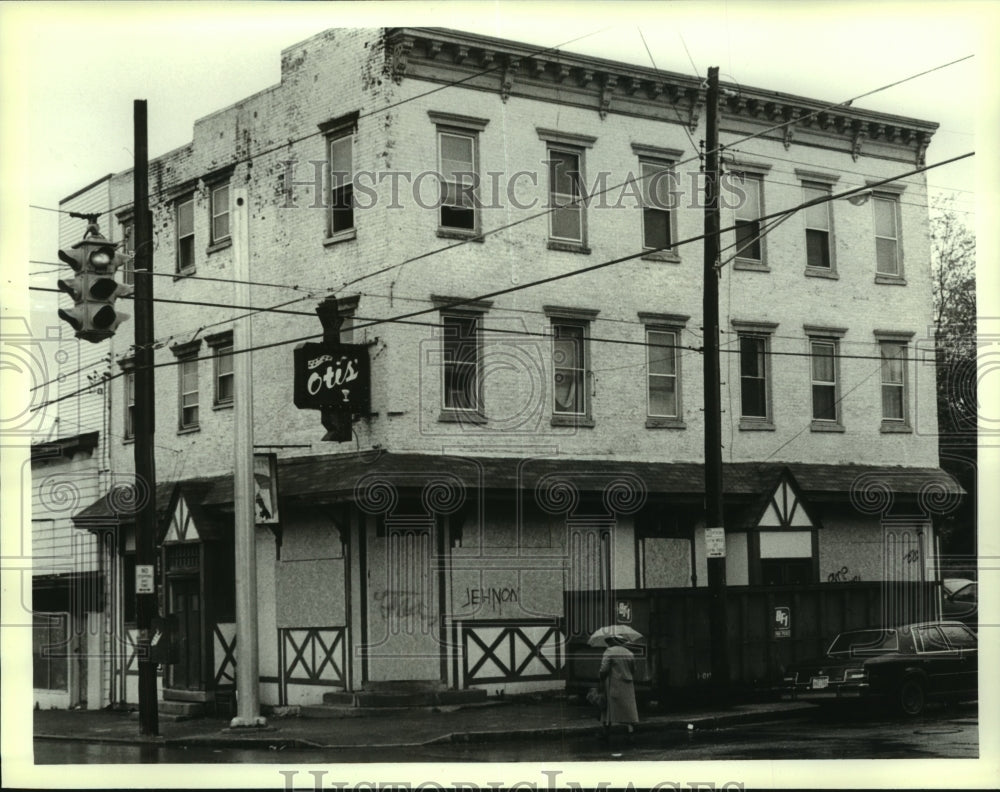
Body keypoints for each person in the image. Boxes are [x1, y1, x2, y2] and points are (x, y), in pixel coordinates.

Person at [599, 636, 639, 739]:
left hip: (613, 683)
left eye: (608, 641)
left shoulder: (609, 651)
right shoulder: (629, 653)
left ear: (612, 641)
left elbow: (604, 669)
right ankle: (630, 731)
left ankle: (606, 731)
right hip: (627, 684)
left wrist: (601, 678)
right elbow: (634, 669)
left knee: (609, 709)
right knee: (628, 709)